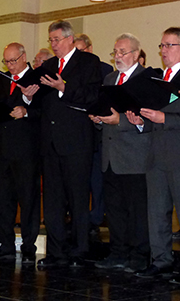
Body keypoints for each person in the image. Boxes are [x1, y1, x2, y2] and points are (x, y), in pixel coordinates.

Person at [27, 20, 102, 268]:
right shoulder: (47, 66)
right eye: (51, 40)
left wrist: (63, 87)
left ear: (70, 39)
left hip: (76, 141)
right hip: (49, 144)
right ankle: (56, 251)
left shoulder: (89, 63)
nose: (54, 44)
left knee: (78, 198)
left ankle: (80, 250)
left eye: (57, 39)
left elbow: (91, 97)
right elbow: (40, 104)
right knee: (53, 200)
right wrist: (29, 97)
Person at [134, 27, 180, 284]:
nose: (164, 51)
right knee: (157, 211)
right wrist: (141, 121)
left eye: (170, 45)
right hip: (156, 153)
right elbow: (153, 119)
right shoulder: (158, 78)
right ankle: (161, 259)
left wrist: (164, 117)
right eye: (162, 46)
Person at [90, 33, 151, 272]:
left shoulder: (147, 78)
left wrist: (120, 122)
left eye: (123, 52)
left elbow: (148, 118)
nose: (118, 56)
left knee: (137, 210)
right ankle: (118, 252)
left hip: (135, 155)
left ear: (136, 54)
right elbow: (107, 113)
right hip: (110, 155)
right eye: (115, 52)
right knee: (114, 209)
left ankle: (139, 254)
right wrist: (98, 119)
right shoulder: (109, 78)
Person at [0, 43, 42, 264]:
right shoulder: (0, 80)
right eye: (6, 61)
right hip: (0, 148)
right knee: (2, 199)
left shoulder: (38, 79)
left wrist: (26, 110)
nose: (10, 65)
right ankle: (5, 245)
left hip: (26, 149)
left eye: (13, 61)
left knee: (28, 199)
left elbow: (44, 111)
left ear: (24, 57)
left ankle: (28, 245)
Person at [74, 33, 114, 239]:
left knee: (98, 180)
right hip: (79, 131)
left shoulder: (105, 70)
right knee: (82, 179)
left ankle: (97, 217)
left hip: (99, 132)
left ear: (89, 49)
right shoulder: (71, 71)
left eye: (81, 50)